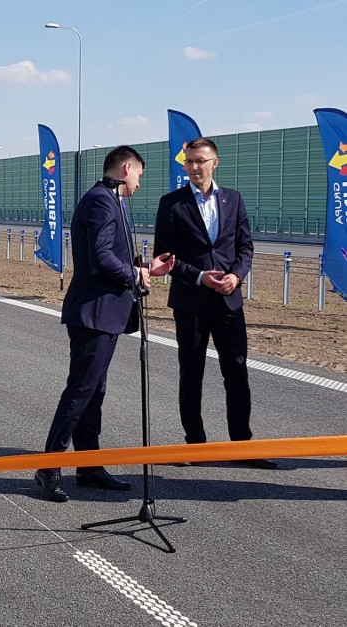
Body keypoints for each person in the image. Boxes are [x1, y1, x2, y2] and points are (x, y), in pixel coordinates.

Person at [35, 146, 175, 502]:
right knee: (80, 392)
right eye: (140, 175)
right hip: (94, 312)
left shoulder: (110, 200)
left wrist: (147, 268)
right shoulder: (101, 200)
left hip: (104, 313)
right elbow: (101, 257)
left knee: (93, 393)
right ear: (127, 167)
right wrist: (136, 274)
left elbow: (114, 253)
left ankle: (90, 466)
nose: (140, 183)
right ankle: (48, 468)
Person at [154, 138, 278, 469]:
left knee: (236, 371)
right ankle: (194, 445)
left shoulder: (233, 199)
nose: (194, 167)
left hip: (229, 302)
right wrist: (198, 276)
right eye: (189, 161)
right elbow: (163, 257)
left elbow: (245, 247)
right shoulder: (171, 203)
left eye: (201, 161)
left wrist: (236, 276)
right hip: (191, 301)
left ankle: (242, 445)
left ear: (215, 163)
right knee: (191, 372)